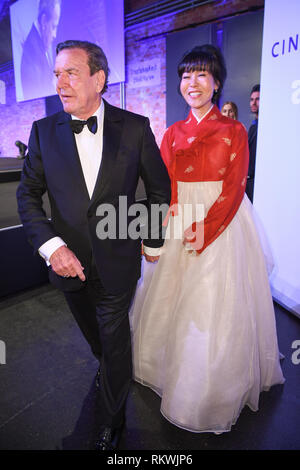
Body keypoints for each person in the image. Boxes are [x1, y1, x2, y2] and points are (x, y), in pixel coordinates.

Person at [17, 39, 171, 450]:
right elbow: (27, 196)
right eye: (56, 74)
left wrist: (150, 238)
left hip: (118, 261)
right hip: (67, 266)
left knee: (115, 337)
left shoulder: (135, 127)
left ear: (99, 78)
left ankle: (111, 421)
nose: (60, 83)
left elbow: (159, 189)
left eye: (71, 73)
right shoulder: (42, 131)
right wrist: (52, 247)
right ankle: (110, 368)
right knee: (99, 341)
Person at [129, 45, 284, 434]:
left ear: (216, 83)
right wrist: (153, 234)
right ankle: (166, 368)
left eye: (201, 75)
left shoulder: (233, 131)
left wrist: (207, 229)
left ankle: (208, 388)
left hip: (222, 224)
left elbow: (233, 189)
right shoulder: (172, 132)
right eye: (185, 75)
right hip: (178, 220)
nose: (191, 83)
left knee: (213, 305)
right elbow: (161, 188)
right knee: (169, 299)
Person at [21, 0, 61, 100]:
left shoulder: (40, 41)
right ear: (44, 21)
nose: (55, 35)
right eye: (53, 27)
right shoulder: (32, 52)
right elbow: (40, 89)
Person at [246, 84, 260, 202]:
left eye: (257, 99)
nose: (253, 103)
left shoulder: (266, 126)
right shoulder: (252, 127)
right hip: (248, 182)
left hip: (258, 182)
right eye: (251, 99)